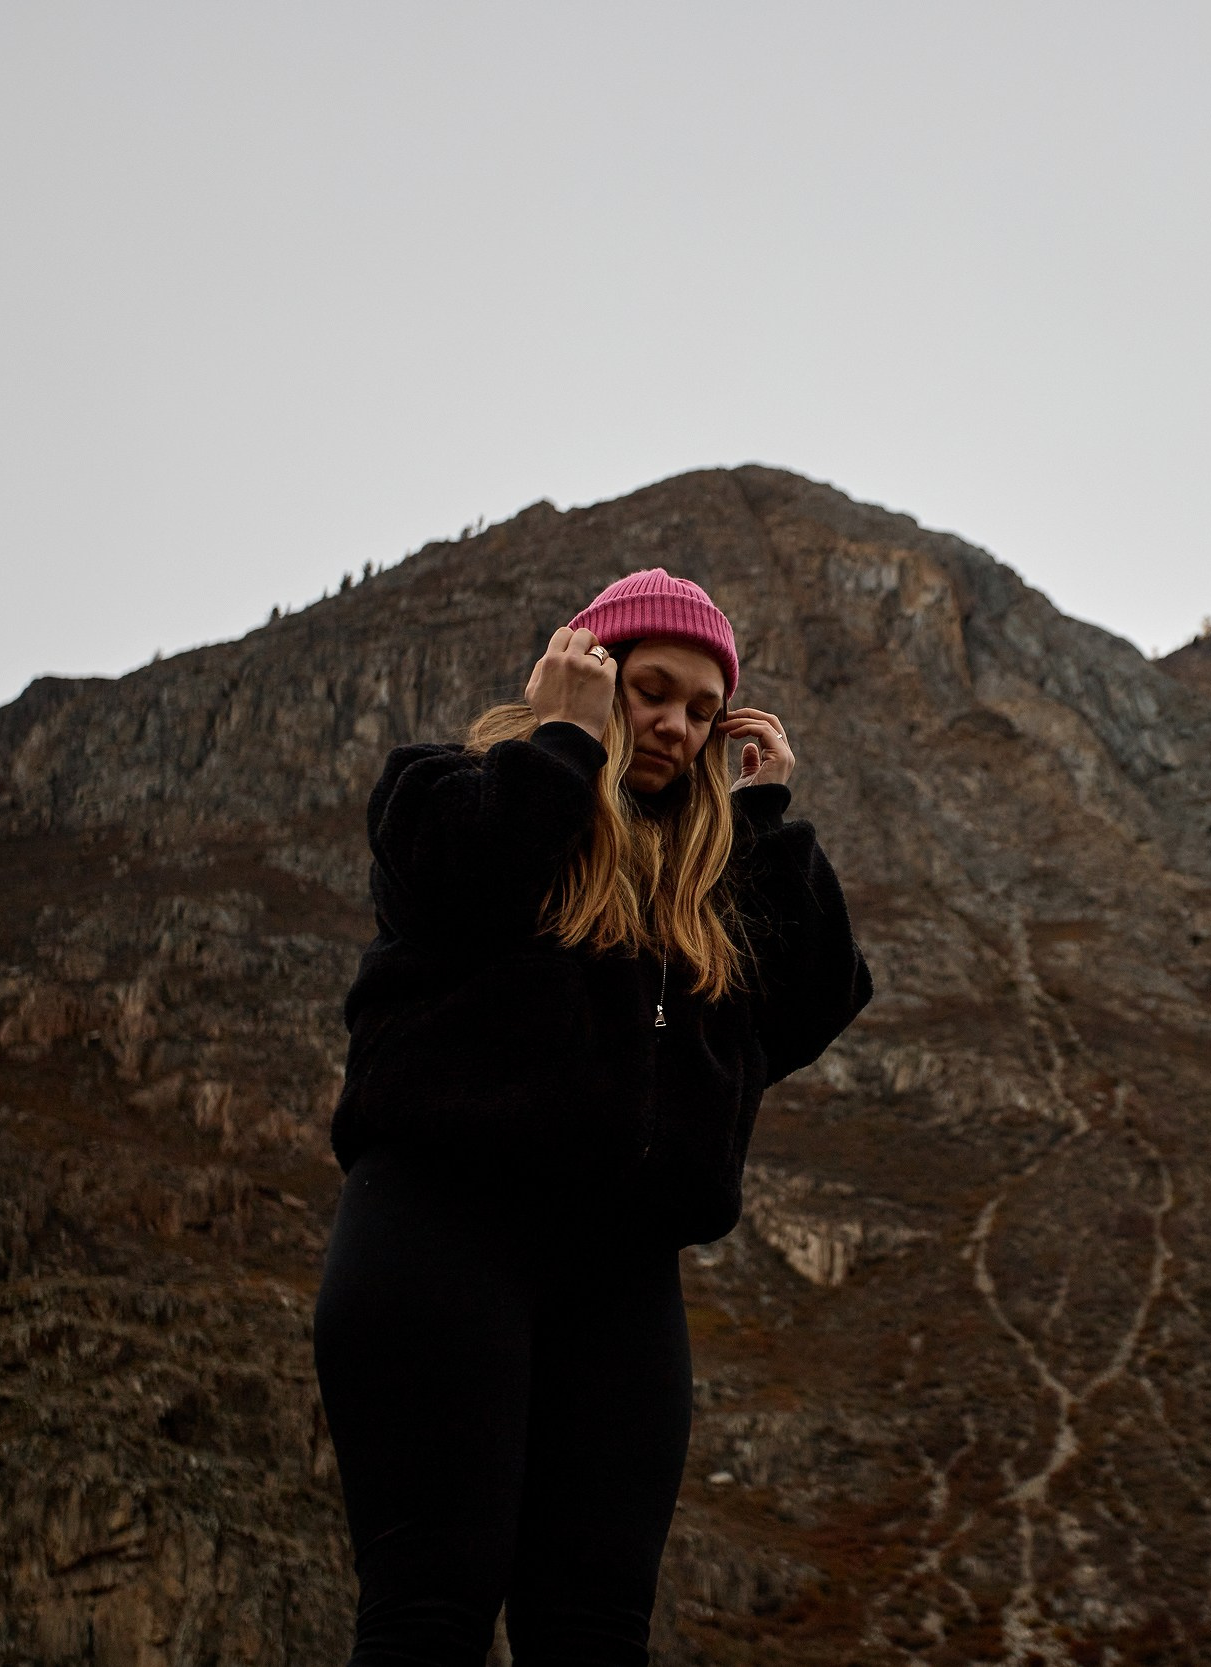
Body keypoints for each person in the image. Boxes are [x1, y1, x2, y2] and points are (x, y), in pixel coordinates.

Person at [311, 568, 872, 1665]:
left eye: (702, 709)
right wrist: (563, 742)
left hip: (622, 1273)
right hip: (437, 1235)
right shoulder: (445, 790)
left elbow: (811, 1007)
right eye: (650, 690)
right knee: (429, 1607)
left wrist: (762, 818)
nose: (676, 725)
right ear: (585, 670)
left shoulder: (705, 883)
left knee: (598, 1630)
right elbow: (455, 886)